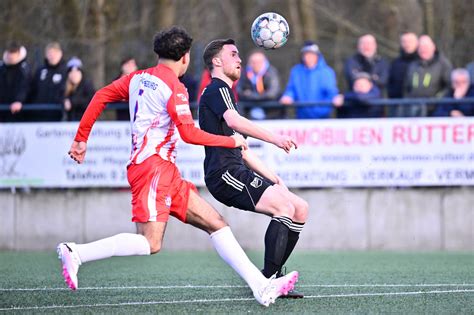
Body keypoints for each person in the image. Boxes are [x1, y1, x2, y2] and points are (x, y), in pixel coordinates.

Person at [57, 27, 297, 307]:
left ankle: (261, 286)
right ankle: (77, 252)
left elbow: (99, 97)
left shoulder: (137, 78)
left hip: (164, 171)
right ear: (185, 57)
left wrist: (81, 139)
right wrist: (231, 141)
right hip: (152, 169)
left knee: (216, 224)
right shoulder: (175, 87)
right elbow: (189, 134)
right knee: (150, 243)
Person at [199, 39, 308, 298]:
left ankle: (273, 278)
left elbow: (243, 150)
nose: (240, 59)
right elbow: (236, 121)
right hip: (225, 174)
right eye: (233, 54)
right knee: (283, 208)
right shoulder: (217, 89)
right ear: (216, 61)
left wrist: (274, 178)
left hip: (237, 170)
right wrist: (276, 138)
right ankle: (267, 280)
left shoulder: (226, 95)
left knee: (300, 207)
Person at [280, 41, 338, 119]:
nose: (309, 57)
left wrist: (323, 109)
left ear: (317, 56)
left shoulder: (327, 72)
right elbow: (291, 89)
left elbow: (332, 93)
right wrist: (288, 96)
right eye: (306, 54)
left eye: (312, 54)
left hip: (323, 118)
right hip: (301, 117)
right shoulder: (296, 71)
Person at [403, 35, 452, 117]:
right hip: (413, 109)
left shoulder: (443, 64)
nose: (423, 50)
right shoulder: (413, 64)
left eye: (426, 47)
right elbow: (406, 86)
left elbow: (449, 86)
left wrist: (437, 98)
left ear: (433, 47)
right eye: (421, 47)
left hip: (435, 109)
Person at [27, 42, 68, 121]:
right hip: (38, 114)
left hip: (57, 115)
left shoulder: (65, 71)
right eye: (50, 53)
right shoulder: (40, 71)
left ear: (60, 54)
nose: (52, 56)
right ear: (46, 55)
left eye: (55, 53)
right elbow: (32, 90)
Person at [237, 50, 281, 119]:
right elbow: (240, 91)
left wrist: (251, 95)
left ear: (265, 62)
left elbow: (272, 94)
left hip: (270, 110)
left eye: (259, 62)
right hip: (248, 109)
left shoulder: (271, 72)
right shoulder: (244, 72)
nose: (256, 64)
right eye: (253, 62)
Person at [0, 43, 30, 122]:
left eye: (14, 53)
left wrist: (19, 100)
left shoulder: (24, 69)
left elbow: (25, 86)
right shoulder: (2, 67)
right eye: (10, 53)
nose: (11, 56)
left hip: (18, 112)